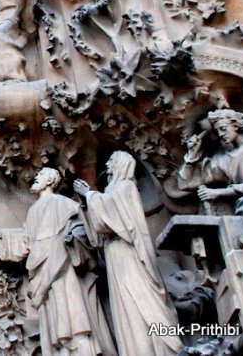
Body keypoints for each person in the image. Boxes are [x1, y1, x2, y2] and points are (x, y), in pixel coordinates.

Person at [75, 152, 182, 356]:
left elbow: (111, 221)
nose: (107, 164)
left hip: (128, 253)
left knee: (138, 299)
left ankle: (157, 348)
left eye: (111, 161)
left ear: (121, 164)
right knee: (126, 307)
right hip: (116, 253)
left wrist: (90, 195)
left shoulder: (125, 187)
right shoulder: (114, 191)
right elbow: (100, 227)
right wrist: (87, 200)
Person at [23, 168, 116, 356]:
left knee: (73, 316)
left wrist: (71, 240)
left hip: (63, 265)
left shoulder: (62, 203)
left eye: (41, 175)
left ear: (51, 180)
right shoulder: (32, 211)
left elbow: (82, 228)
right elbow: (30, 242)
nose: (36, 177)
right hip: (41, 269)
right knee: (54, 317)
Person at [177, 108, 243, 214]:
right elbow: (185, 184)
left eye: (223, 128)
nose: (221, 134)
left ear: (235, 126)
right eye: (217, 131)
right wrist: (192, 153)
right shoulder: (221, 160)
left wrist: (219, 192)